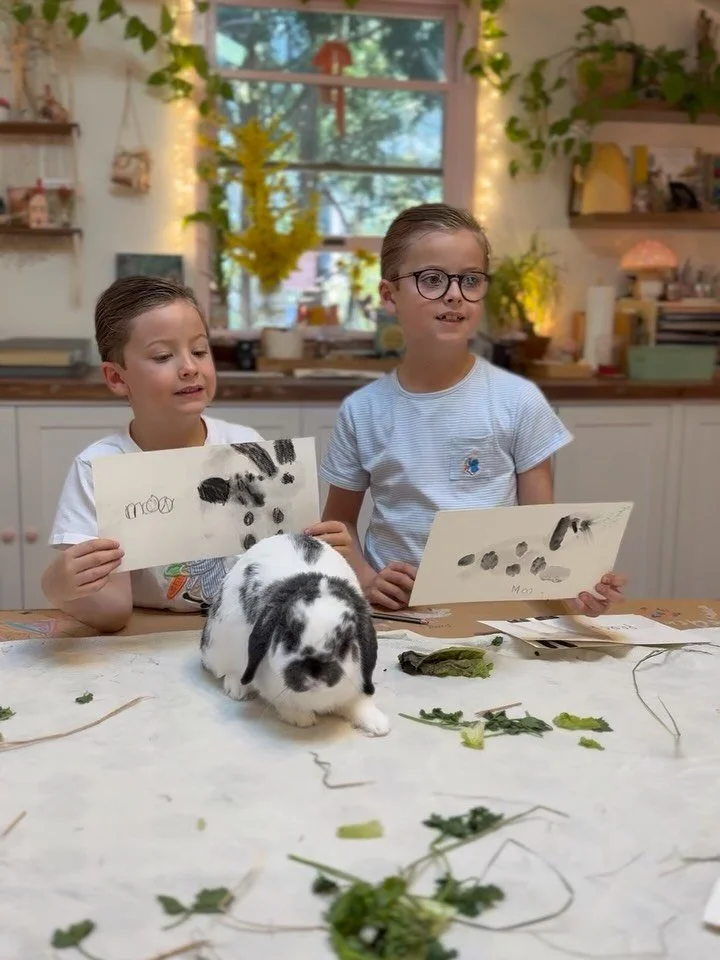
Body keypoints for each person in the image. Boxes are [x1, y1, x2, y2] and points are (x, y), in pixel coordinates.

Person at [319, 202, 626, 614]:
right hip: (397, 617)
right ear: (390, 296)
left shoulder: (519, 401)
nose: (454, 294)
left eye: (470, 279)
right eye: (431, 279)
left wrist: (576, 587)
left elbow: (543, 534)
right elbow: (338, 526)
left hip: (494, 616)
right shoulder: (362, 412)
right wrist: (366, 579)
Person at [42, 275, 350, 633]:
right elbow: (113, 612)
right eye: (163, 356)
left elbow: (282, 573)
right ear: (116, 378)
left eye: (200, 351)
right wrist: (59, 587)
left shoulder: (245, 446)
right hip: (147, 636)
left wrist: (323, 553)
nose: (189, 367)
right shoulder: (97, 469)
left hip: (241, 630)